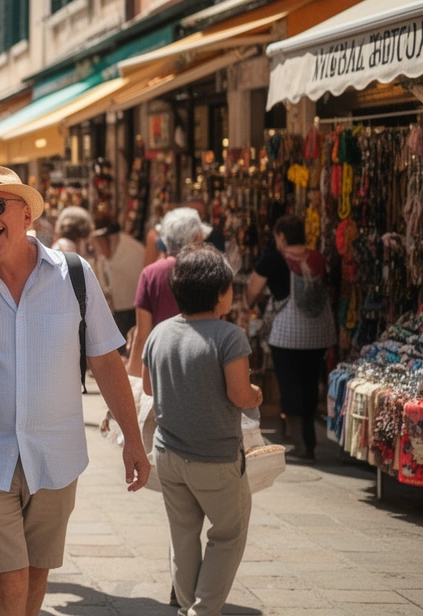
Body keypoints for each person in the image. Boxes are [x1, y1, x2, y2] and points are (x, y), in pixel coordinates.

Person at [0, 165, 148, 616]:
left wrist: (133, 439)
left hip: (55, 455)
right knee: (9, 581)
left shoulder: (74, 274)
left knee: (36, 575)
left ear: (27, 214)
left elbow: (105, 360)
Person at [143, 244, 262, 616]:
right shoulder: (228, 337)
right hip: (216, 458)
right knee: (228, 535)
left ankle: (186, 606)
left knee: (183, 536)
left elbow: (148, 387)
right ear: (218, 293)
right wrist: (256, 393)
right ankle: (203, 610)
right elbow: (240, 395)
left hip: (168, 455)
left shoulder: (160, 333)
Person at [245, 215, 336, 463]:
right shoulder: (317, 258)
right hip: (318, 334)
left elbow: (252, 290)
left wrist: (254, 302)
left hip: (287, 334)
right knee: (310, 385)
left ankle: (301, 443)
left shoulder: (274, 259)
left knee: (289, 386)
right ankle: (309, 440)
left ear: (282, 236)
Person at [126, 208, 210, 377]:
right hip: (200, 362)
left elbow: (142, 334)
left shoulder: (151, 274)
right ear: (196, 237)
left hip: (161, 365)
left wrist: (133, 375)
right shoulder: (207, 270)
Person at [91, 215, 146, 341]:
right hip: (114, 312)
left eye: (101, 241)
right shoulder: (109, 254)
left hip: (131, 310)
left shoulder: (134, 251)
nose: (98, 245)